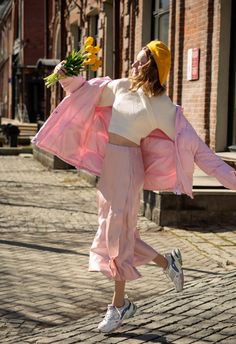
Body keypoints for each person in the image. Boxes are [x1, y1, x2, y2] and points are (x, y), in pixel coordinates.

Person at [32, 40, 236, 334]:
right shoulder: (120, 87)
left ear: (153, 69)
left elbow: (203, 154)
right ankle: (168, 263)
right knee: (115, 232)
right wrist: (66, 75)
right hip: (110, 167)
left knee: (116, 236)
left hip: (129, 169)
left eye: (141, 62)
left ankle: (119, 305)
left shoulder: (162, 107)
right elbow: (85, 93)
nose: (134, 65)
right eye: (135, 59)